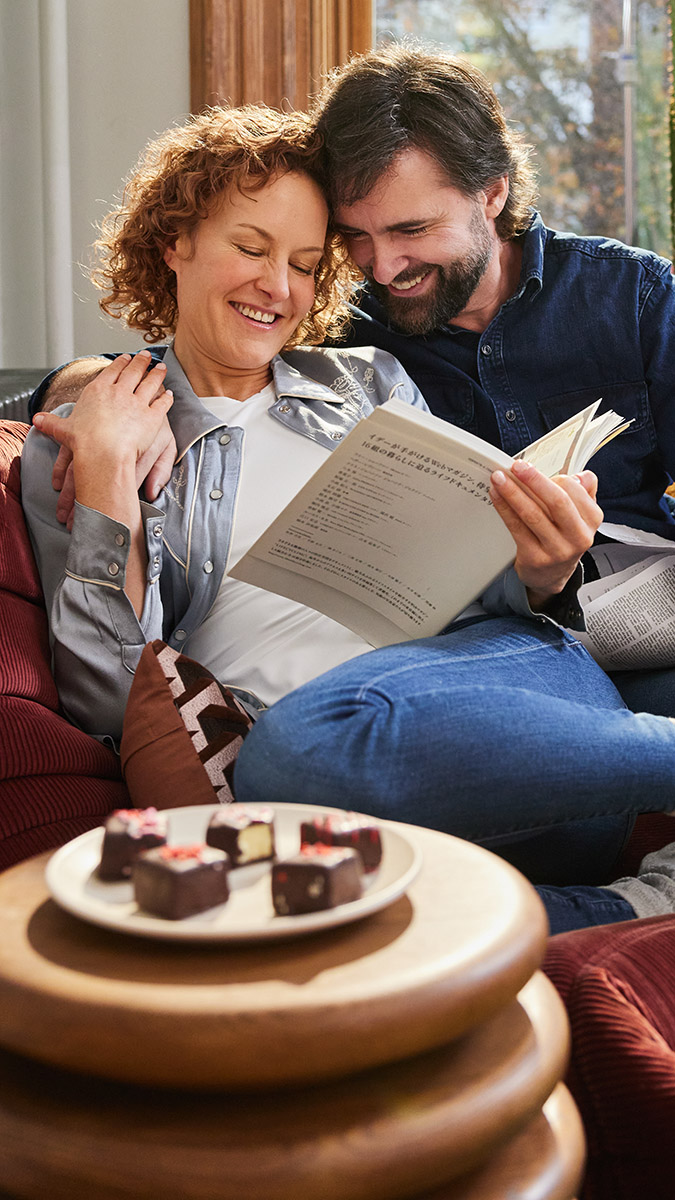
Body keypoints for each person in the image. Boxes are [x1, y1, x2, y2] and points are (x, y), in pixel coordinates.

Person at [20, 104, 675, 934]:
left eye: (303, 262)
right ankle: (639, 904)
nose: (279, 287)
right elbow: (110, 706)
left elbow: (481, 584)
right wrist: (110, 479)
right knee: (293, 799)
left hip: (504, 694)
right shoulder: (92, 438)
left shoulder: (366, 379)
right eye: (251, 249)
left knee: (300, 751)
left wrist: (538, 568)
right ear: (172, 242)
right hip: (353, 778)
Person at [312, 41, 675, 717]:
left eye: (411, 229)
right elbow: (186, 354)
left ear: (493, 192)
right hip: (475, 655)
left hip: (641, 643)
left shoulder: (631, 297)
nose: (382, 267)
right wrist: (79, 389)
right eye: (353, 236)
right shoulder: (346, 329)